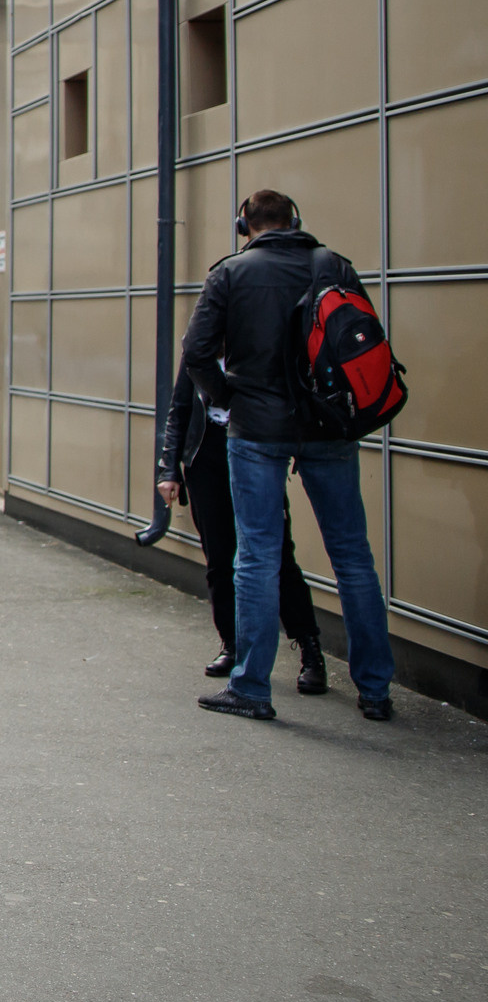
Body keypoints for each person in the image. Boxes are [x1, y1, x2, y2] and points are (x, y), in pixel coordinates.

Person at [181, 188, 391, 722]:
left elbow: (196, 353)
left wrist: (227, 399)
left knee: (255, 555)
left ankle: (251, 689)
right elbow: (363, 340)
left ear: (243, 224)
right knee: (352, 556)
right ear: (295, 220)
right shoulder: (334, 264)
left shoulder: (229, 274)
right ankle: (374, 690)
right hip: (330, 427)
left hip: (256, 430)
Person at [156, 359, 325, 692]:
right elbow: (180, 408)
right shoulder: (201, 339)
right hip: (206, 455)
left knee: (278, 554)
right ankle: (232, 645)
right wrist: (168, 469)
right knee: (219, 557)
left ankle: (310, 650)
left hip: (254, 447)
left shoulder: (257, 331)